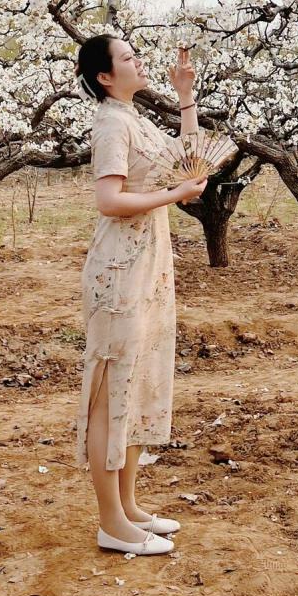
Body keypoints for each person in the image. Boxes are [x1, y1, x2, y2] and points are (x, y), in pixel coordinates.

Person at [74, 35, 207, 556]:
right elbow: (109, 200)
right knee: (111, 393)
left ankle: (128, 508)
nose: (139, 61)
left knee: (134, 384)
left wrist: (185, 96)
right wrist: (173, 196)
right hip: (118, 269)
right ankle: (111, 521)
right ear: (106, 76)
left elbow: (189, 161)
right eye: (128, 58)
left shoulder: (132, 118)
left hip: (148, 260)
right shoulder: (109, 123)